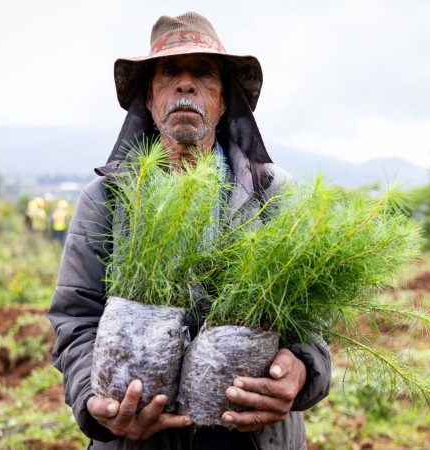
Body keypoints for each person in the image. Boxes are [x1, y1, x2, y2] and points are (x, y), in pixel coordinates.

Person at [48, 12, 331, 449]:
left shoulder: (272, 193)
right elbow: (76, 317)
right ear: (149, 96)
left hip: (253, 437)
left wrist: (301, 368)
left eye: (203, 73)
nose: (185, 84)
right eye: (169, 73)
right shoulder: (106, 198)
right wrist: (94, 399)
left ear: (223, 101)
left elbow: (313, 319)